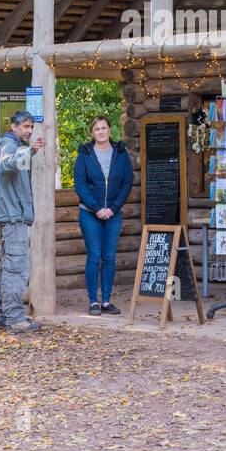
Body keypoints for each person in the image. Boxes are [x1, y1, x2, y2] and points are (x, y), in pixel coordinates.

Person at [73, 116, 134, 316]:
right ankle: (93, 302)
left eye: (104, 128)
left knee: (109, 258)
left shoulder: (121, 153)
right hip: (90, 213)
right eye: (97, 129)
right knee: (94, 257)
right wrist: (97, 208)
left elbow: (126, 183)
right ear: (92, 133)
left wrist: (113, 208)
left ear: (110, 130)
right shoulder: (85, 154)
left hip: (113, 214)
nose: (100, 131)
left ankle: (106, 301)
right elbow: (80, 185)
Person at [0, 110, 44, 332]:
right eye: (25, 126)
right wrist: (31, 151)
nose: (29, 131)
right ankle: (14, 319)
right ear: (13, 127)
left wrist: (28, 151)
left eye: (31, 127)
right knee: (16, 269)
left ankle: (5, 315)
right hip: (14, 220)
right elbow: (7, 165)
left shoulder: (13, 146)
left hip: (13, 219)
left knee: (7, 268)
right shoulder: (9, 146)